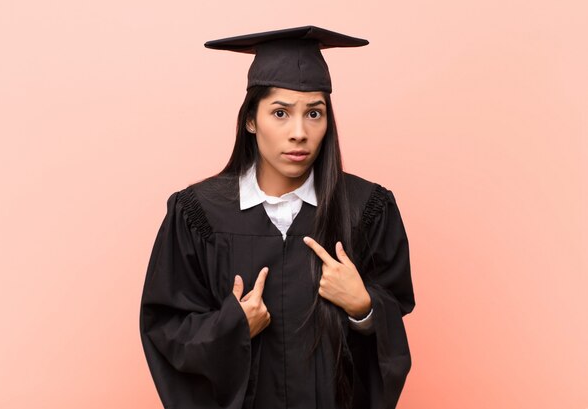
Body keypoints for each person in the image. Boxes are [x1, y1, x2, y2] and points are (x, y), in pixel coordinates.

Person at [139, 25, 415, 409]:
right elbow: (165, 328)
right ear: (251, 120)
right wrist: (232, 328)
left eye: (314, 113)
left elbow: (392, 326)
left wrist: (363, 307)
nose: (299, 133)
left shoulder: (365, 210)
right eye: (280, 113)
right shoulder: (198, 214)